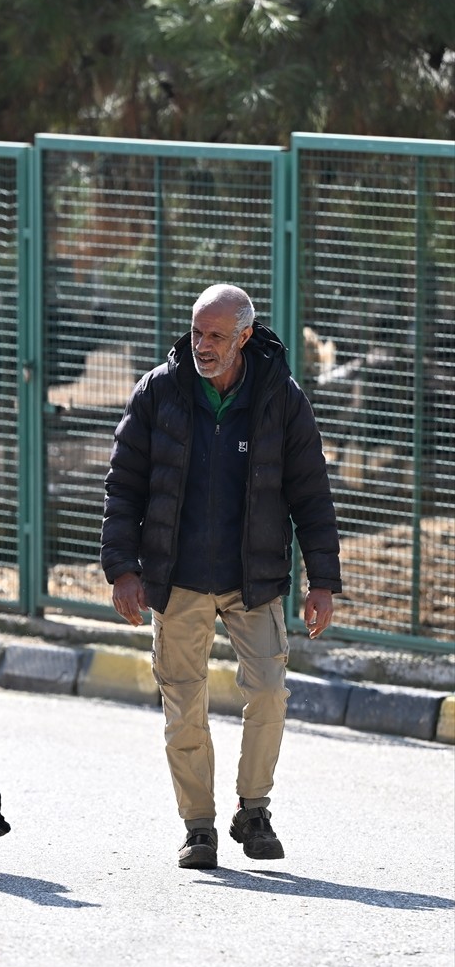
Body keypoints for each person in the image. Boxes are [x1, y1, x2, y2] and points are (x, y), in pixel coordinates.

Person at [100, 284, 341, 870]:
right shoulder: (159, 391)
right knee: (184, 705)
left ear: (245, 337)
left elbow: (311, 492)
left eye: (215, 336)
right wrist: (122, 570)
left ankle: (253, 810)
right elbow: (123, 484)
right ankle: (199, 825)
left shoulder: (280, 399)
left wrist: (323, 581)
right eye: (196, 332)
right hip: (176, 579)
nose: (201, 346)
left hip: (252, 580)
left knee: (266, 693)